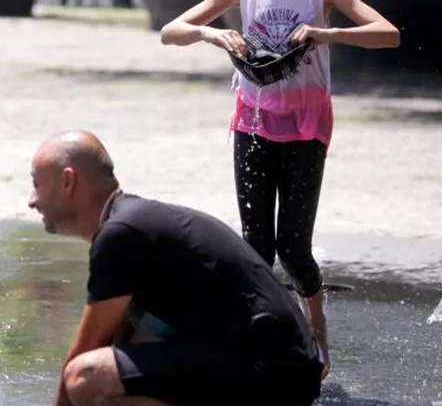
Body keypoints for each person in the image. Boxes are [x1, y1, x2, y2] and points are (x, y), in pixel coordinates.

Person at [158, 0, 400, 376]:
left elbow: (388, 33)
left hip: (307, 126)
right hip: (253, 122)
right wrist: (213, 35)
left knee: (293, 247)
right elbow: (171, 30)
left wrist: (325, 35)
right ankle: (258, 340)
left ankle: (316, 332)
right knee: (256, 247)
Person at [27, 130, 325, 406]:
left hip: (275, 370)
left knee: (85, 378)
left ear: (68, 181)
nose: (31, 200)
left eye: (36, 183)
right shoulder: (131, 225)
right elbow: (121, 342)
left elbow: (80, 361)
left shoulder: (121, 234)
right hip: (287, 368)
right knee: (117, 362)